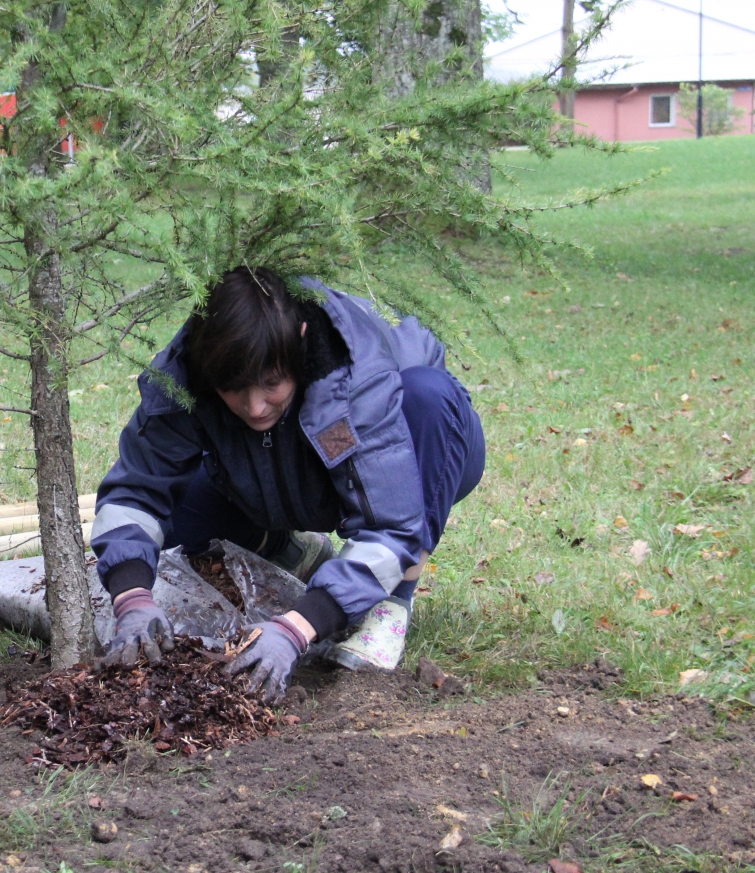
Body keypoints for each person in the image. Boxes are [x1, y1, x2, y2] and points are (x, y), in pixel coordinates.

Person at [91, 267, 485, 701]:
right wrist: (131, 597)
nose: (255, 405)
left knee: (428, 395)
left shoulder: (357, 372)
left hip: (417, 456)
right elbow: (136, 491)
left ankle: (391, 602)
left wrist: (297, 627)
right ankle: (285, 549)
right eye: (234, 388)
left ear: (298, 339)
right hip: (276, 475)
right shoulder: (189, 369)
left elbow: (392, 524)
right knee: (181, 519)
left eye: (271, 384)